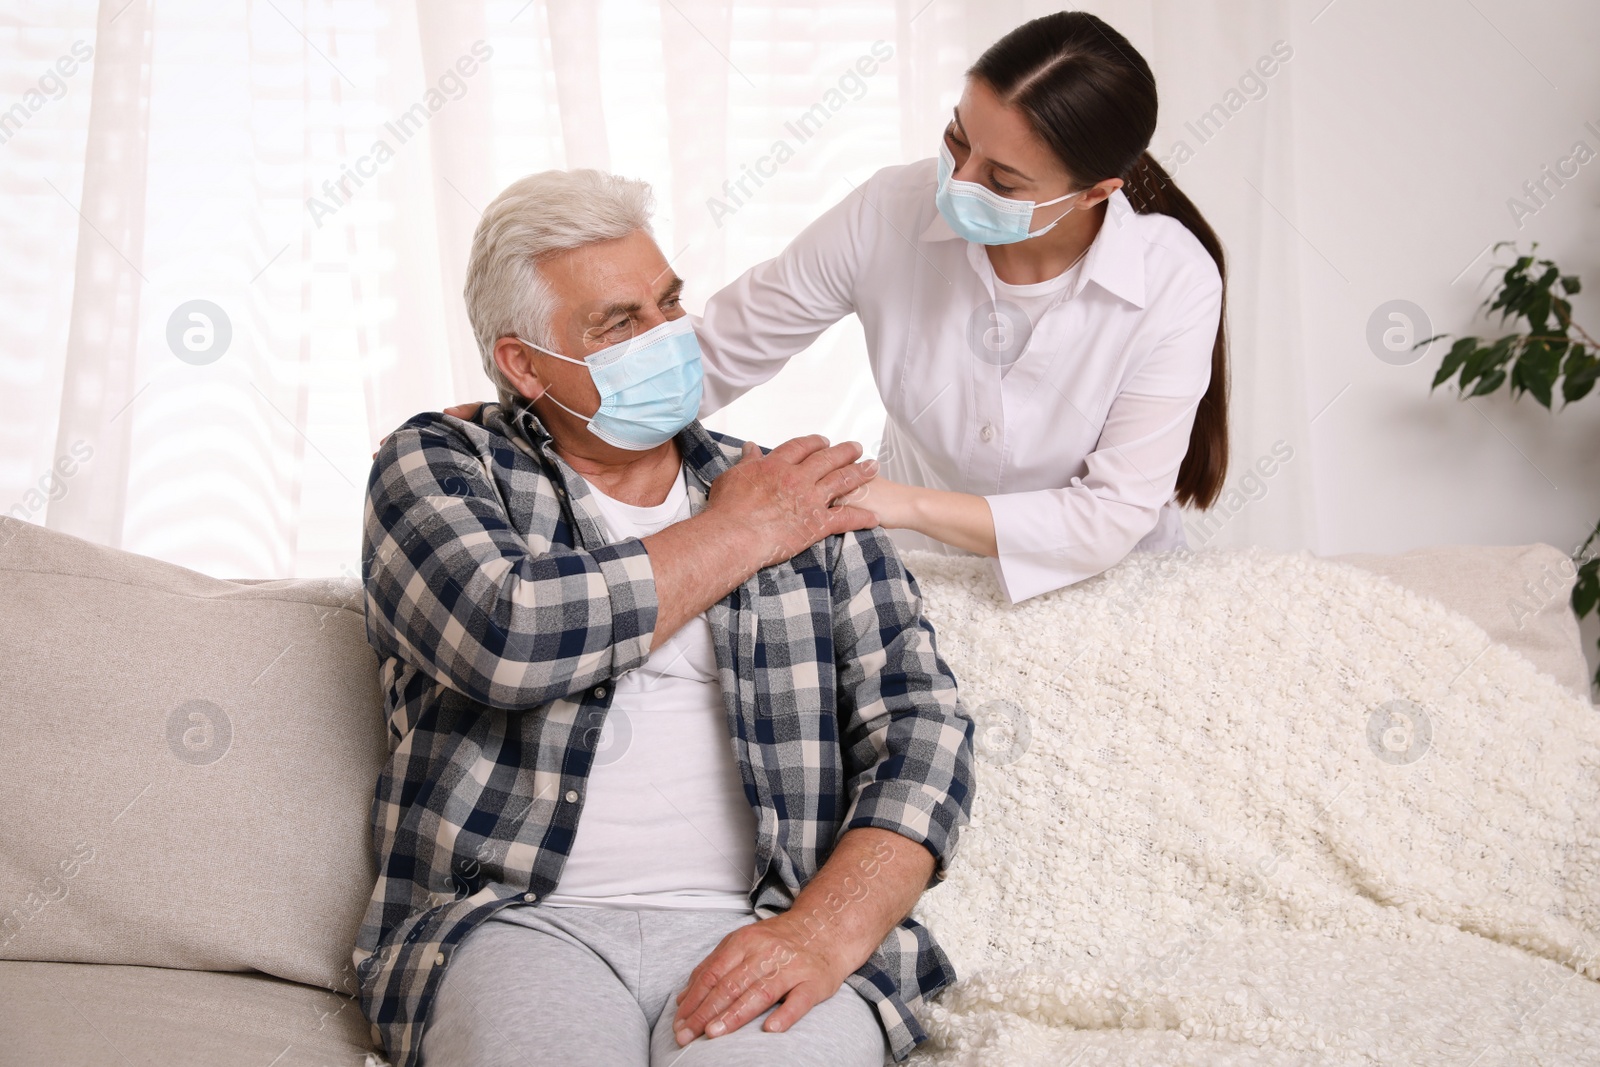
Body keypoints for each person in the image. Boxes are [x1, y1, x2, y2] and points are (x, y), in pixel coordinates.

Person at [353, 168, 976, 1067]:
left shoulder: (796, 494)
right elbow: (506, 636)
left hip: (767, 922)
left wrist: (823, 932)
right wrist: (737, 531)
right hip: (518, 925)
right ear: (523, 363)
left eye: (670, 303)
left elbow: (924, 730)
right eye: (620, 323)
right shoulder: (441, 466)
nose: (667, 336)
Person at [447, 11, 1228, 606]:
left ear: (1095, 192)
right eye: (958, 141)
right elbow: (713, 354)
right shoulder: (890, 209)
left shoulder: (1171, 278)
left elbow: (1108, 517)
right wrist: (515, 413)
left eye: (1003, 181)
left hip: (1113, 594)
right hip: (932, 584)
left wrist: (895, 501)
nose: (959, 182)